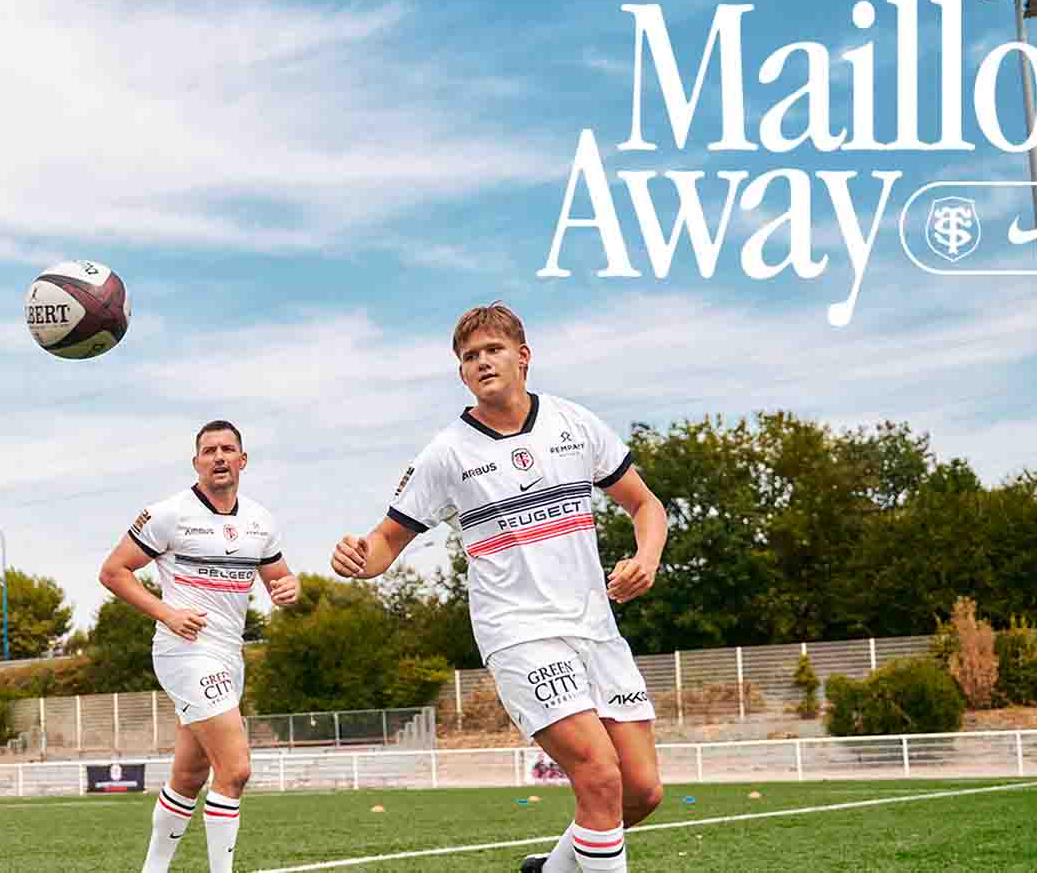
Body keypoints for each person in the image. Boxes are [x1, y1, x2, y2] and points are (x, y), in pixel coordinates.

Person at [330, 304, 669, 873]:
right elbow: (386, 540)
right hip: (518, 634)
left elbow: (645, 504)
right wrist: (359, 559)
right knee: (599, 774)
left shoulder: (574, 423)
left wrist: (646, 558)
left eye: (494, 350)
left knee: (640, 791)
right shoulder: (447, 454)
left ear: (523, 356)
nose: (482, 362)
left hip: (595, 628)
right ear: (461, 373)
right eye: (470, 357)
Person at [98, 420, 298, 873]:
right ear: (196, 463)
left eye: (227, 449)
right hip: (185, 652)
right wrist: (166, 613)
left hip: (229, 656)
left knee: (189, 776)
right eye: (209, 451)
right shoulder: (169, 514)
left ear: (243, 460)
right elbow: (113, 572)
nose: (219, 457)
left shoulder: (260, 522)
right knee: (236, 769)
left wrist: (291, 588)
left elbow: (280, 579)